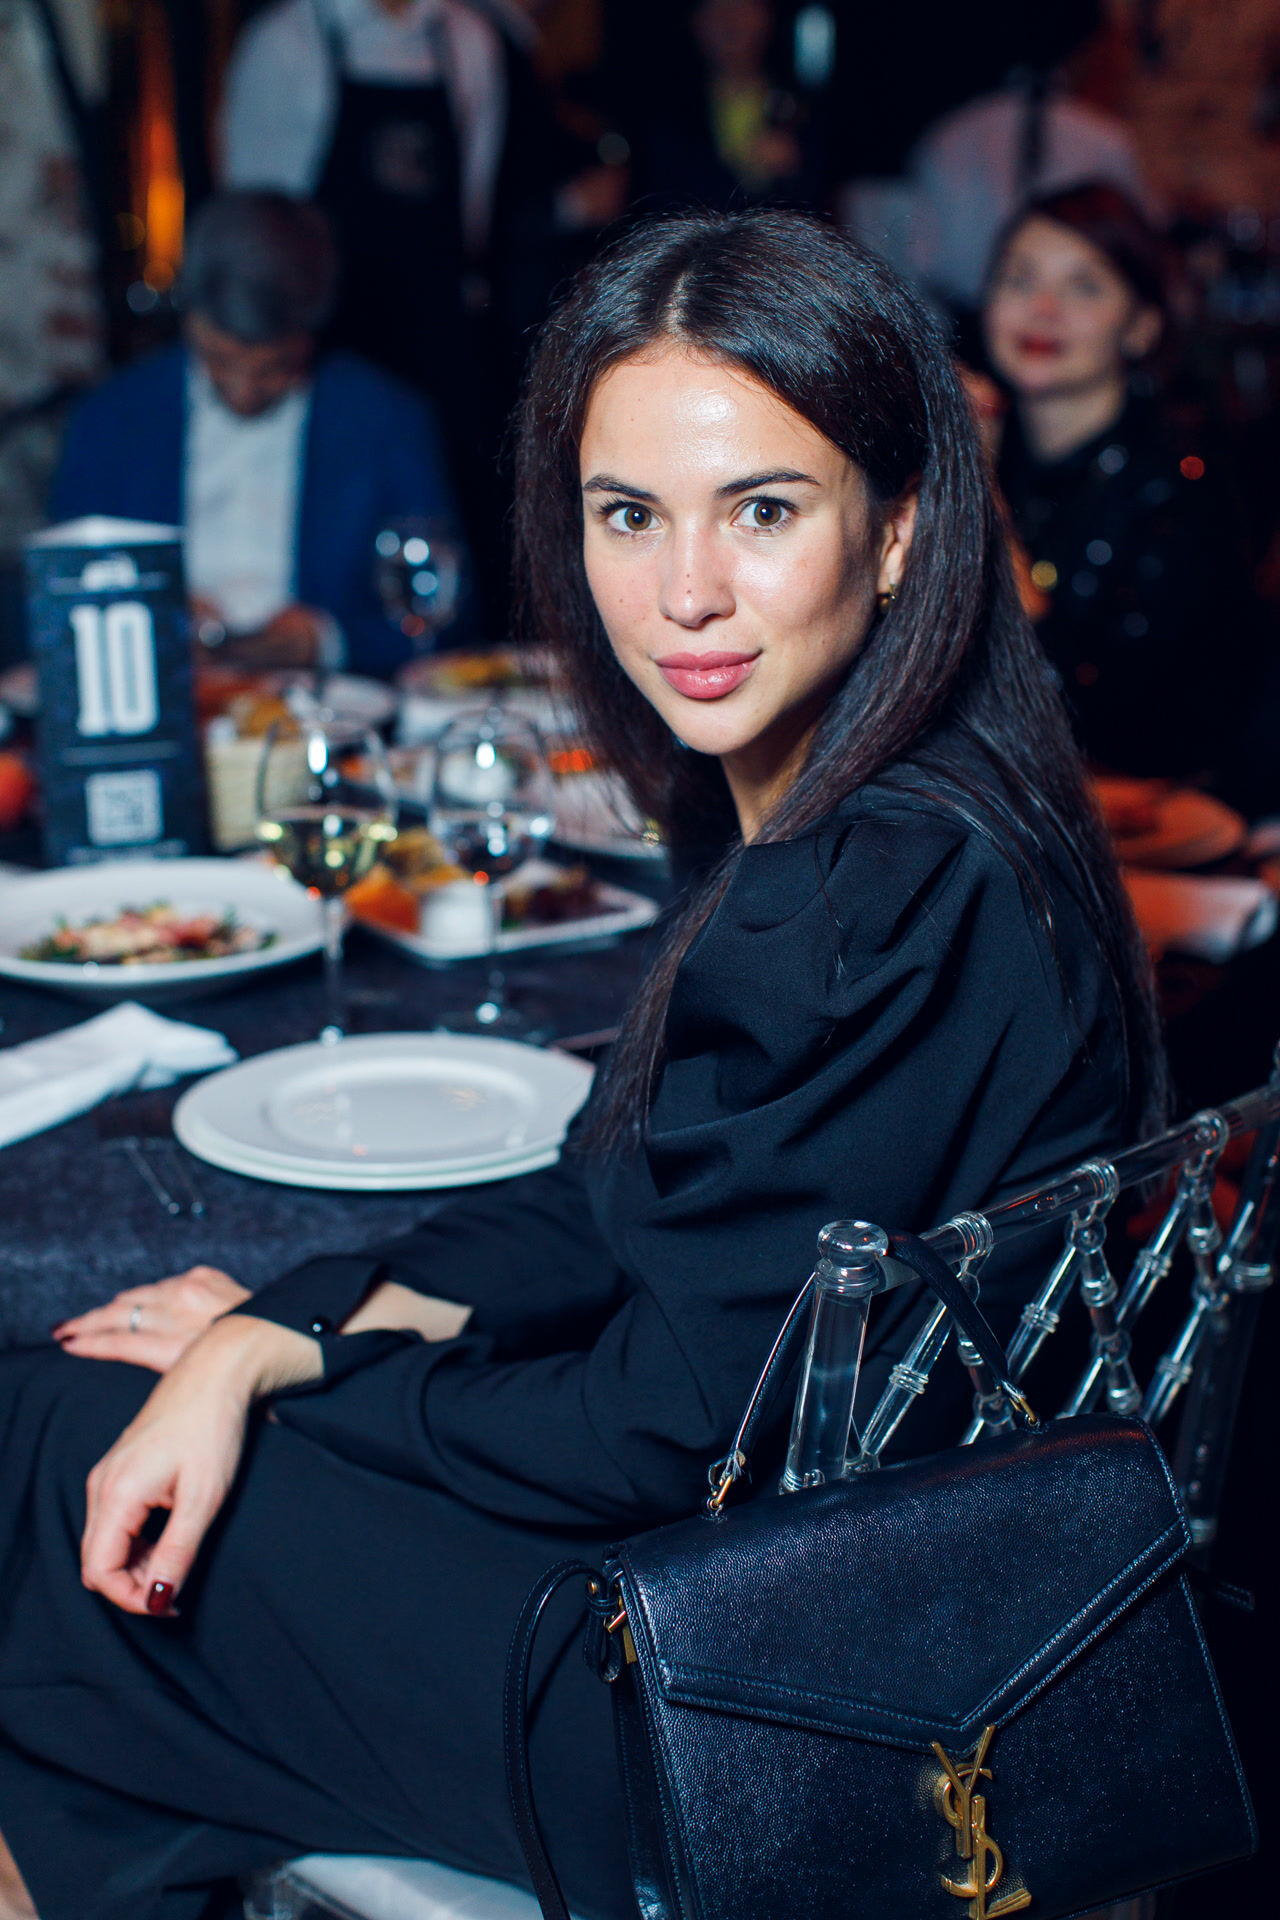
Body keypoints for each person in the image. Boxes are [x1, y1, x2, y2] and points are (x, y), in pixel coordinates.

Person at [0, 211, 1160, 1920]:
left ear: (901, 528)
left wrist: (308, 1383)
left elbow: (657, 1425)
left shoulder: (877, 888)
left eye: (762, 510)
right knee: (99, 1478)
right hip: (807, 1610)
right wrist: (277, 1330)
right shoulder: (881, 810)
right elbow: (612, 1195)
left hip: (771, 1718)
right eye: (630, 514)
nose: (684, 592)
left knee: (48, 1448)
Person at [51, 191, 460, 678]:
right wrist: (153, 614)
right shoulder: (111, 416)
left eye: (275, 369)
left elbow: (446, 611)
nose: (244, 391)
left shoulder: (386, 417)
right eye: (219, 361)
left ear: (310, 335)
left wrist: (325, 640)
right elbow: (62, 597)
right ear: (190, 320)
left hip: (327, 700)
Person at [983, 182, 1253, 781]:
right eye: (1019, 279)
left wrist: (985, 516)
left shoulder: (1179, 487)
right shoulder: (989, 445)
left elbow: (1119, 725)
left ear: (1141, 327)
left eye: (1084, 286)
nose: (1042, 308)